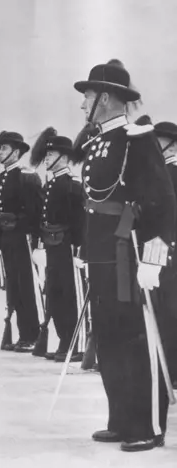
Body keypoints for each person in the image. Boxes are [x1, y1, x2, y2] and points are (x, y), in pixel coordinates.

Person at [72, 59, 175, 451]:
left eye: (88, 97)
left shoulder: (138, 139)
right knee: (110, 337)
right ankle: (120, 417)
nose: (83, 106)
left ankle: (146, 425)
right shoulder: (98, 142)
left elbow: (164, 201)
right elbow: (94, 204)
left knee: (137, 339)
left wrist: (155, 253)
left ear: (107, 97)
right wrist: (86, 249)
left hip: (129, 253)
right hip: (102, 253)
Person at [30, 128, 86, 361]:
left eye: (51, 155)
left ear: (63, 157)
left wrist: (80, 249)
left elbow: (80, 221)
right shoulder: (51, 184)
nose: (47, 159)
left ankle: (76, 344)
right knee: (55, 293)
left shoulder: (72, 184)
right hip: (53, 245)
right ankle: (64, 339)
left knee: (71, 294)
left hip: (68, 246)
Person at [0, 131, 43, 352]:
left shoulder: (26, 176)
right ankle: (23, 333)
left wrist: (37, 244)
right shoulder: (4, 177)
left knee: (27, 286)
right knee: (14, 287)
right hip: (9, 237)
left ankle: (33, 334)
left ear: (16, 152)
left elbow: (36, 213)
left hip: (23, 237)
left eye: (4, 148)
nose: (0, 152)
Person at [152, 119, 177, 388]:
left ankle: (170, 368)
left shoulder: (170, 173)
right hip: (167, 248)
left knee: (169, 309)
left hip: (168, 250)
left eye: (159, 140)